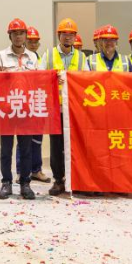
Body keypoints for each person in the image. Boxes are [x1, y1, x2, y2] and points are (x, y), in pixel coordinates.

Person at [0, 18, 39, 200]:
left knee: (26, 148)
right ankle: (6, 183)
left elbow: (39, 81)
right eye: (15, 33)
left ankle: (25, 183)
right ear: (10, 36)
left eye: (21, 33)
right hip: (6, 110)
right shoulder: (1, 56)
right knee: (6, 149)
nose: (18, 37)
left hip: (26, 109)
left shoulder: (33, 57)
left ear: (26, 36)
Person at [45, 18, 83, 196]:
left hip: (75, 110)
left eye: (71, 34)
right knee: (56, 146)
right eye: (64, 34)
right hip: (56, 108)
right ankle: (58, 180)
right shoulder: (49, 55)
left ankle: (76, 179)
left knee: (76, 145)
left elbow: (88, 79)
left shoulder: (82, 57)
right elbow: (39, 76)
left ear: (75, 37)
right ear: (58, 35)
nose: (68, 37)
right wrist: (52, 79)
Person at [25, 25, 50, 183]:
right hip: (23, 104)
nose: (33, 44)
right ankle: (22, 171)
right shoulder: (22, 58)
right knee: (24, 139)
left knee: (37, 139)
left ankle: (36, 170)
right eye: (30, 41)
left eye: (36, 42)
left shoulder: (42, 60)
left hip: (39, 103)